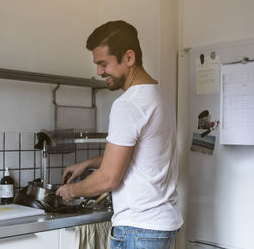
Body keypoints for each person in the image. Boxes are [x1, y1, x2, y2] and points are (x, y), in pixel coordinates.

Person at [55, 20, 183, 249]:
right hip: (162, 224)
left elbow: (108, 179)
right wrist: (88, 163)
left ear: (129, 58)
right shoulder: (159, 96)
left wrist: (70, 191)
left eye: (104, 63)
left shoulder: (129, 104)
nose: (99, 71)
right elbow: (140, 156)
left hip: (138, 229)